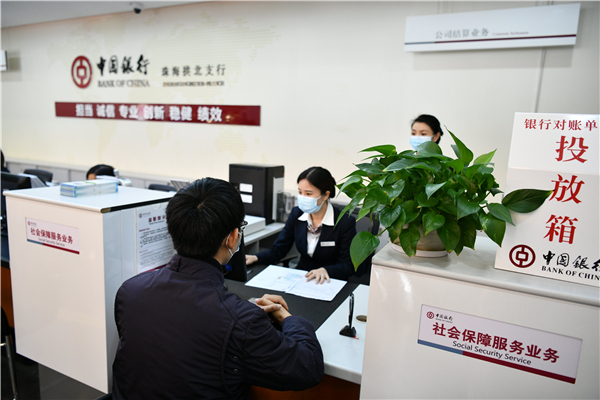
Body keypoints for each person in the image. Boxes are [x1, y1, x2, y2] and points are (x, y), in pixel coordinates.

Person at [112, 178, 324, 400]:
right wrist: (287, 318)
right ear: (232, 238)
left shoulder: (130, 291)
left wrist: (240, 312)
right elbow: (308, 367)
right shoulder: (242, 322)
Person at [246, 167, 356, 284]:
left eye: (308, 194)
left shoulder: (344, 222)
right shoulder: (297, 214)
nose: (302, 197)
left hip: (330, 281)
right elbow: (279, 249)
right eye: (300, 192)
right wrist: (256, 257)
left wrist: (326, 270)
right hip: (302, 277)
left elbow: (348, 265)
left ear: (325, 195)